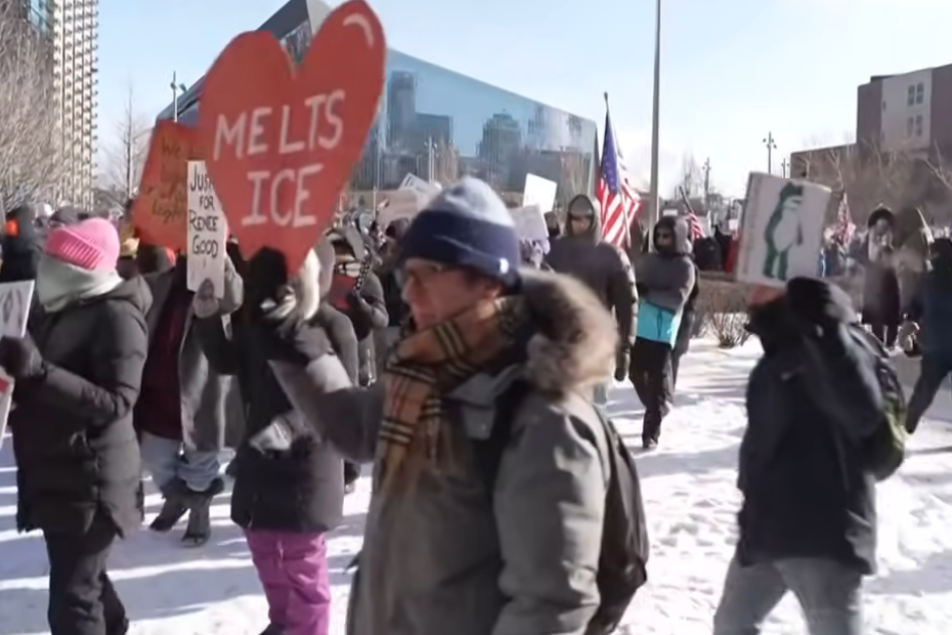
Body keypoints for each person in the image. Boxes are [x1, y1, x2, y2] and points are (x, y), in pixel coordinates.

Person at [258, 177, 618, 635]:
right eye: (407, 275)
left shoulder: (545, 414)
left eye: (427, 273)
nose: (408, 292)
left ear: (486, 280)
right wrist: (292, 335)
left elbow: (551, 606)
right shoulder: (424, 369)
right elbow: (354, 426)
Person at [712, 278, 883, 635]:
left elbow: (864, 412)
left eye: (763, 281)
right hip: (767, 530)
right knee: (731, 625)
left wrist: (828, 331)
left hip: (822, 535)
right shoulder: (777, 355)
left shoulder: (835, 343)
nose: (751, 290)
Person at [194, 241, 348, 635]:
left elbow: (337, 405)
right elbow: (229, 361)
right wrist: (208, 317)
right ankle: (282, 623)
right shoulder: (258, 321)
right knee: (264, 551)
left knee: (303, 568)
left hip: (305, 470)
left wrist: (274, 437)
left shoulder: (332, 326)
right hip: (259, 462)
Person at [5, 218, 151, 635]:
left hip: (91, 480)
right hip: (58, 473)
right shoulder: (62, 308)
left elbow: (116, 401)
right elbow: (46, 385)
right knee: (84, 578)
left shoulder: (119, 317)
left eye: (55, 259)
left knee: (72, 602)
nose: (44, 267)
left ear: (81, 269)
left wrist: (38, 371)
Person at [134, 253, 237, 546]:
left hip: (202, 390)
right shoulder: (157, 283)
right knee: (154, 457)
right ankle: (178, 498)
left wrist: (223, 262)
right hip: (158, 391)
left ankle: (199, 511)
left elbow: (235, 296)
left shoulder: (219, 284)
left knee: (201, 461)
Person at [546, 194, 636, 406]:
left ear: (594, 219)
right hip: (559, 341)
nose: (580, 223)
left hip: (596, 343)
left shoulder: (612, 256)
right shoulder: (554, 251)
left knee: (593, 411)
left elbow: (628, 304)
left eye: (586, 218)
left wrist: (625, 347)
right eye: (575, 218)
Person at [630, 216, 696, 449]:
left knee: (658, 380)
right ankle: (656, 405)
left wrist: (650, 294)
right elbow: (635, 283)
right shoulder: (650, 260)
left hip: (664, 331)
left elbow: (678, 298)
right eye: (658, 235)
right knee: (634, 373)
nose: (661, 240)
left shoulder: (685, 266)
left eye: (667, 236)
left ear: (677, 237)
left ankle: (651, 434)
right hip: (642, 328)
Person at [902, 237, 952, 434]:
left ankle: (908, 423)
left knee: (926, 387)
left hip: (933, 343)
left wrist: (909, 327)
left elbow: (914, 308)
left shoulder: (927, 280)